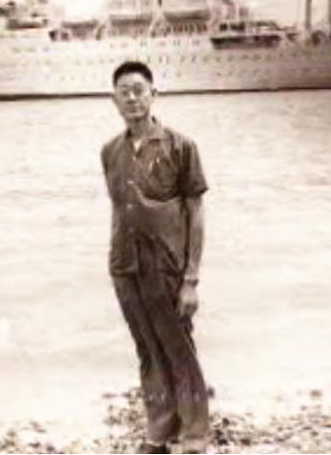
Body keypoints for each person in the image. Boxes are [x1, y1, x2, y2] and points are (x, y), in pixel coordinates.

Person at [100, 61, 210, 455]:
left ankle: (195, 434)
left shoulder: (181, 147)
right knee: (147, 348)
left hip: (166, 266)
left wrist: (191, 279)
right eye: (124, 92)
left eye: (139, 90)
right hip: (125, 264)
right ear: (114, 100)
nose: (132, 98)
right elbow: (120, 208)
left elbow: (195, 213)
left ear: (153, 94)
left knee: (178, 346)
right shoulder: (110, 151)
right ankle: (160, 432)